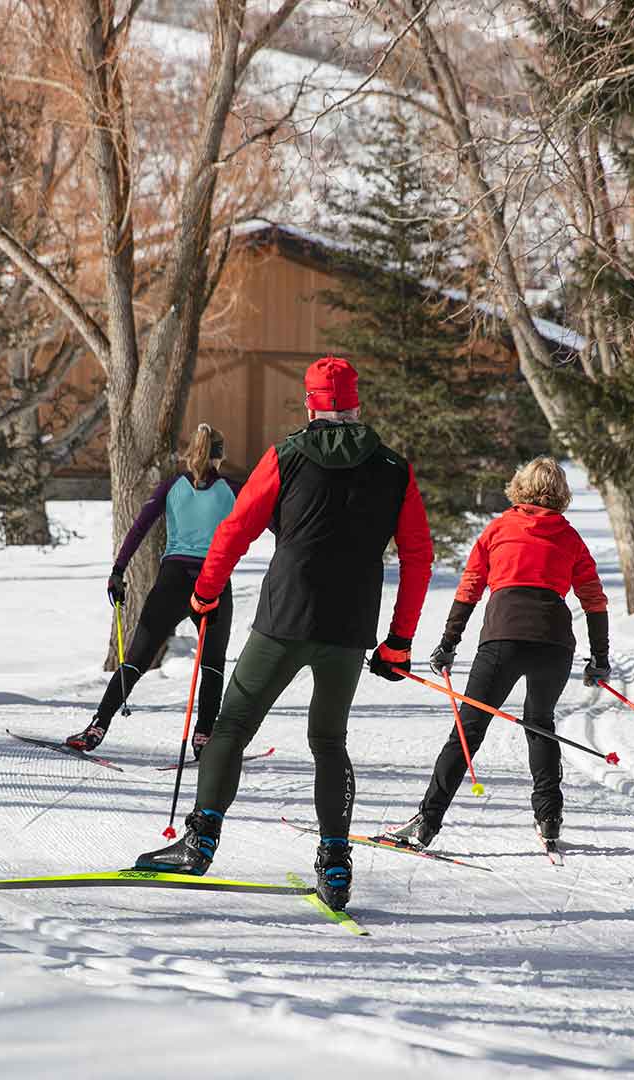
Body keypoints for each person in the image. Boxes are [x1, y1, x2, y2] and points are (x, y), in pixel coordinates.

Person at [133, 356, 432, 911]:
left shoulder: (286, 455)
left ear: (312, 402)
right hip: (349, 626)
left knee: (232, 726)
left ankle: (198, 844)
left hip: (283, 618)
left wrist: (204, 591)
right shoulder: (394, 467)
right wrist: (399, 640)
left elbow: (235, 528)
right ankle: (336, 863)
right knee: (329, 741)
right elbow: (418, 557)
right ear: (356, 403)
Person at [382, 457, 610, 852]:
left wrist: (448, 642)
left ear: (519, 487)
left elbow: (471, 585)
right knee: (540, 724)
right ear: (561, 494)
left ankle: (427, 821)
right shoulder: (569, 536)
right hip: (554, 644)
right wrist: (599, 658)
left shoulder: (499, 528)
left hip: (503, 638)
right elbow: (593, 599)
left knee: (468, 731)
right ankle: (549, 817)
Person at [64, 423, 242, 757]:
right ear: (222, 456)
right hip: (213, 581)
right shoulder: (233, 489)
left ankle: (96, 727)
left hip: (172, 580)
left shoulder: (172, 486)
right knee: (212, 664)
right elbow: (269, 519)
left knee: (135, 661)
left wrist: (118, 571)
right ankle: (203, 739)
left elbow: (139, 527)